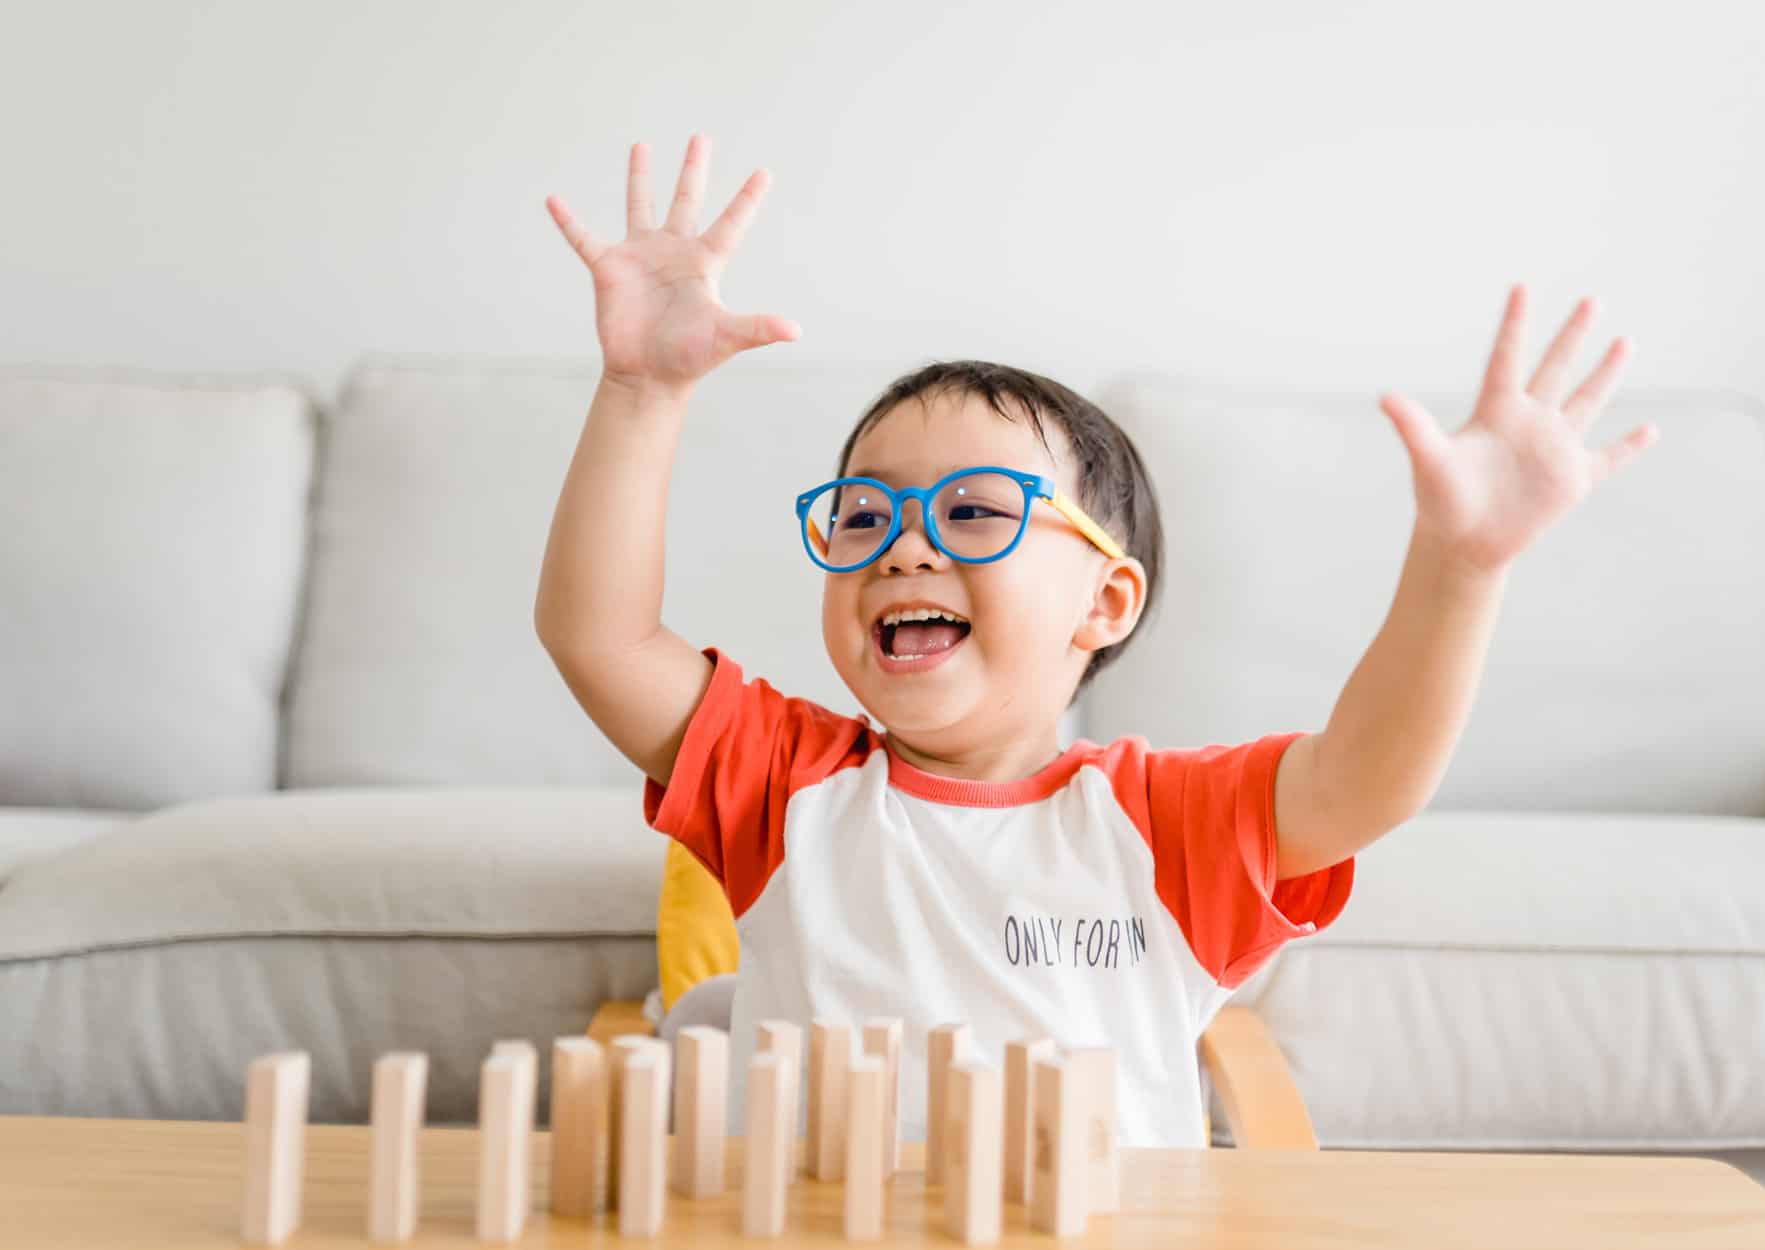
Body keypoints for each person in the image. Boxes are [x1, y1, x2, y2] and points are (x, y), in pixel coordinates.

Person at [535, 133, 1660, 1146]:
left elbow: (1367, 776)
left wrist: (1458, 569)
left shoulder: (1159, 825)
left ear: (1105, 603)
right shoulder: (786, 783)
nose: (903, 547)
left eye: (972, 510)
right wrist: (639, 393)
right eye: (864, 513)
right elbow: (597, 635)